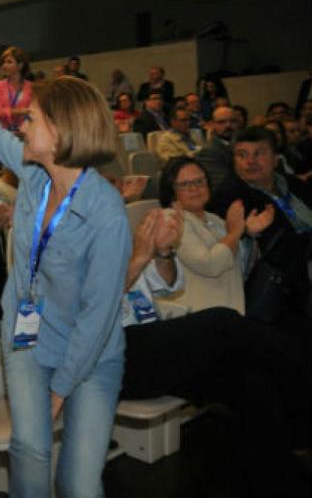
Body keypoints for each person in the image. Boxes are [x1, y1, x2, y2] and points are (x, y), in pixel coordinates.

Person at [0, 7, 130, 497]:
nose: (21, 124)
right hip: (27, 336)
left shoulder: (106, 214)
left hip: (92, 351)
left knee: (81, 484)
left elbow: (99, 316)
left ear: (61, 133)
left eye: (32, 118)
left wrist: (61, 387)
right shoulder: (36, 174)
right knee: (32, 453)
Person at [120, 207, 310, 498]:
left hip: (152, 340)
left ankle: (278, 481)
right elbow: (83, 316)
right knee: (221, 322)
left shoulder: (108, 240)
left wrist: (164, 252)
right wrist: (139, 258)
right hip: (109, 359)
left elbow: (165, 285)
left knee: (250, 379)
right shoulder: (49, 255)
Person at [210, 127, 312, 325]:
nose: (250, 161)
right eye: (242, 155)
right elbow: (273, 249)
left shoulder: (292, 184)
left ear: (276, 159)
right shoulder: (231, 197)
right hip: (285, 277)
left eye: (259, 154)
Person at [162, 157, 272, 314]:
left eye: (200, 181)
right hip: (198, 317)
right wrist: (235, 232)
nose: (195, 188)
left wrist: (249, 234)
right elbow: (210, 265)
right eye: (185, 184)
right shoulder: (171, 219)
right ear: (171, 191)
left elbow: (240, 266)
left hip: (229, 312)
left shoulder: (213, 219)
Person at [195, 105, 243, 192]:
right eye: (221, 122)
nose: (228, 125)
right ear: (212, 125)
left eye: (232, 121)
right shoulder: (208, 152)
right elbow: (223, 185)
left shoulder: (242, 144)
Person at [0, 46, 33, 131]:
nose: (4, 66)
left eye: (9, 62)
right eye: (3, 63)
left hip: (26, 132)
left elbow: (33, 112)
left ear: (20, 65)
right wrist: (19, 111)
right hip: (3, 133)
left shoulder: (31, 87)